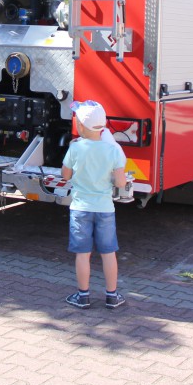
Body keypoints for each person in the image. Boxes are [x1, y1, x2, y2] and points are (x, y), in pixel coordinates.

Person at [61, 100, 128, 309]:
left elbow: (65, 175)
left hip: (80, 208)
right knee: (108, 253)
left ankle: (83, 296)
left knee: (83, 254)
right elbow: (120, 182)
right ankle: (112, 296)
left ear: (80, 126)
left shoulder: (75, 148)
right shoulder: (113, 150)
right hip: (105, 209)